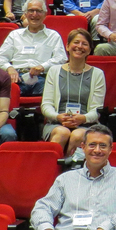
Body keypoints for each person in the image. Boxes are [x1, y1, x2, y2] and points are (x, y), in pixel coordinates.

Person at [41, 28, 106, 157]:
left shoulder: (97, 74)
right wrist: (58, 117)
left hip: (86, 124)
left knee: (78, 135)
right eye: (76, 42)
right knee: (62, 133)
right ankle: (51, 169)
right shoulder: (54, 71)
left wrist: (83, 118)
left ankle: (70, 167)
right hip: (57, 122)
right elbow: (46, 104)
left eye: (84, 44)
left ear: (89, 49)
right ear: (67, 46)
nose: (79, 47)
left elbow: (97, 109)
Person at [0, 0, 68, 97]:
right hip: (17, 77)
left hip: (43, 77)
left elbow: (61, 58)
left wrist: (43, 67)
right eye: (31, 11)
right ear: (25, 14)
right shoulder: (15, 35)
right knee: (3, 92)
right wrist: (9, 68)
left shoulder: (53, 35)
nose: (34, 14)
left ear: (45, 14)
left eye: (38, 11)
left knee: (52, 92)